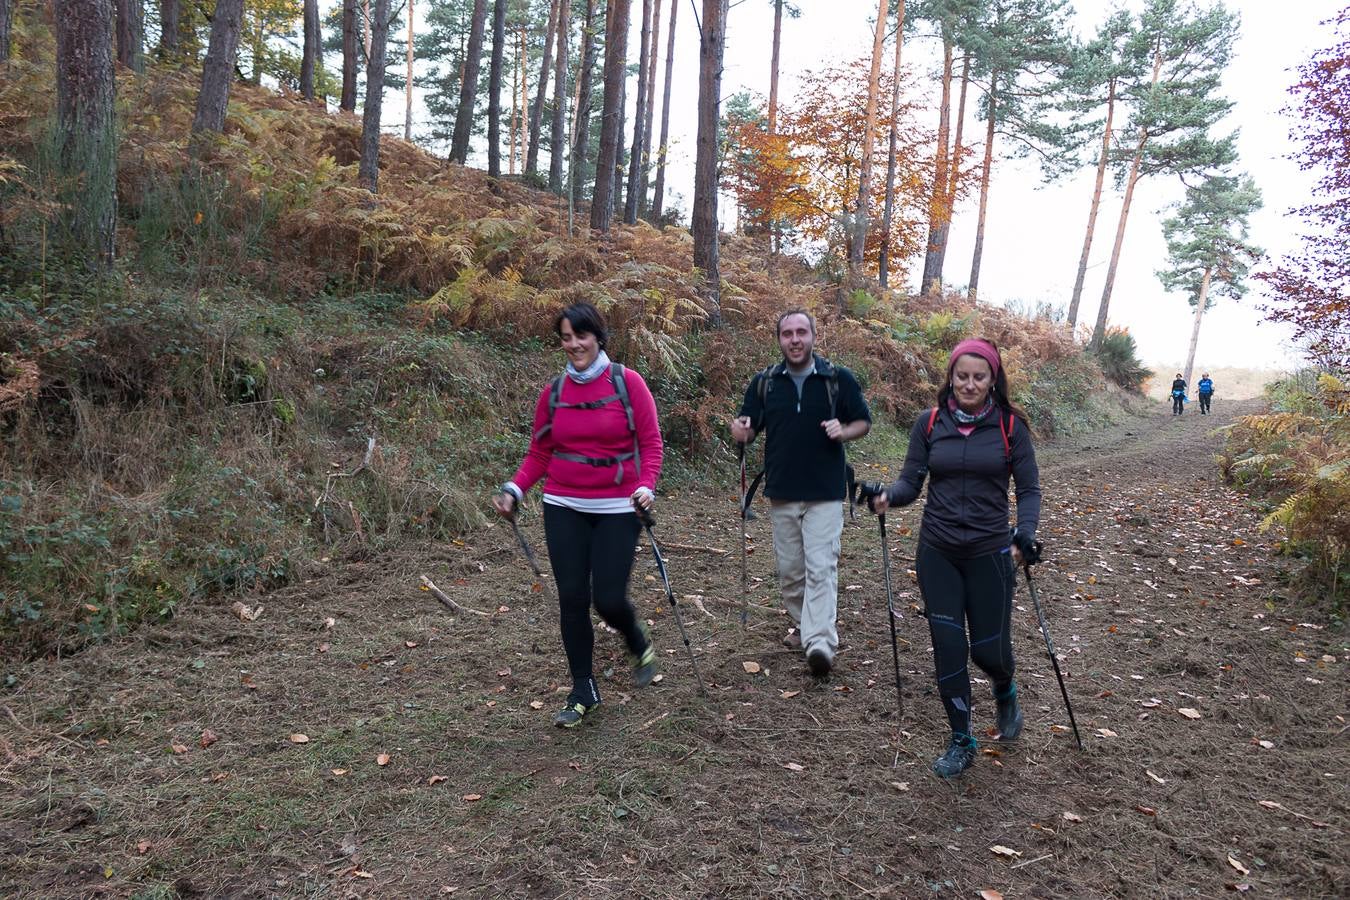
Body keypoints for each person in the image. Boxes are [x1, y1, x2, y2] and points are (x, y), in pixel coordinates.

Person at [868, 338, 1041, 778]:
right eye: (961, 376)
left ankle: (1004, 688)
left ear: (992, 379)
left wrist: (1025, 533)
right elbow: (911, 482)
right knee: (949, 648)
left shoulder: (1009, 427)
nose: (968, 384)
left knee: (989, 652)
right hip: (938, 551)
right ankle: (962, 738)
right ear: (951, 376)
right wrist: (889, 496)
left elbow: (1029, 489)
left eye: (978, 377)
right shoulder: (929, 424)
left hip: (990, 552)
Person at [493, 303, 663, 729]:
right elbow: (540, 452)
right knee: (571, 598)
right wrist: (515, 488)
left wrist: (646, 486)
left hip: (617, 508)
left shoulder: (628, 383)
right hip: (563, 504)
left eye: (580, 336)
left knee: (606, 598)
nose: (573, 345)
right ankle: (583, 688)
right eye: (565, 338)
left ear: (598, 337)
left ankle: (636, 638)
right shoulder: (554, 393)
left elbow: (652, 443)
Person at [729, 310, 871, 678]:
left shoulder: (837, 379)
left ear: (813, 336)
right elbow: (748, 425)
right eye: (788, 333)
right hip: (782, 492)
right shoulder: (765, 383)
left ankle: (820, 642)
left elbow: (862, 422)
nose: (795, 339)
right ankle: (804, 622)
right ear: (779, 339)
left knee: (820, 566)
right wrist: (740, 429)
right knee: (791, 573)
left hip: (825, 491)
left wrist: (845, 431)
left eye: (801, 332)